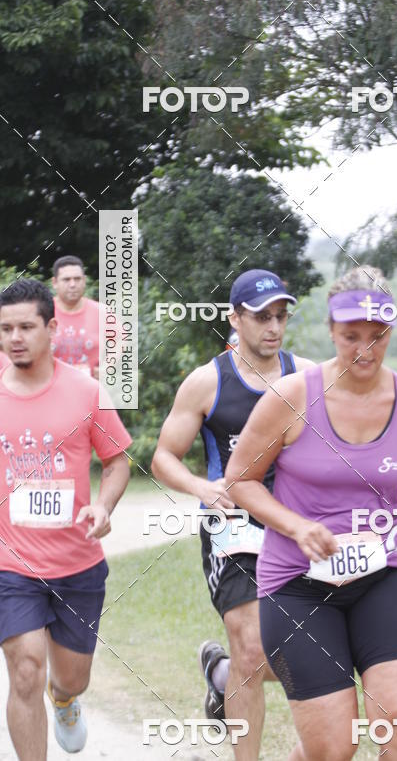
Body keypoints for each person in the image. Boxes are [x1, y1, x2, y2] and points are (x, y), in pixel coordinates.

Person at [225, 266, 397, 761]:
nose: (364, 348)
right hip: (295, 584)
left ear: (391, 331)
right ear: (331, 331)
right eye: (350, 335)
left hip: (382, 578)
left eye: (377, 336)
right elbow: (239, 480)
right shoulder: (291, 397)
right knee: (332, 750)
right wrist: (296, 526)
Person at [151, 269, 313, 761]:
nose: (273, 327)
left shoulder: (305, 375)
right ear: (234, 319)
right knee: (251, 647)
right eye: (262, 316)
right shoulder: (207, 382)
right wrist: (202, 487)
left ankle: (220, 676)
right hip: (231, 526)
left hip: (289, 522)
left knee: (295, 654)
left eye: (281, 316)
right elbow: (162, 456)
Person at [0, 279, 131, 758]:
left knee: (71, 677)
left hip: (78, 564)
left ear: (52, 328)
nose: (15, 337)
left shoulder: (86, 392)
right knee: (26, 669)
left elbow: (116, 460)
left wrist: (103, 505)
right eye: (5, 328)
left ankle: (65, 699)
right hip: (10, 565)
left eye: (26, 327)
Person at [52, 255, 101, 378]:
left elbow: (122, 341)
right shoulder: (41, 312)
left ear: (84, 281)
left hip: (91, 390)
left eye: (77, 279)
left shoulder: (102, 312)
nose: (72, 284)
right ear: (55, 282)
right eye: (66, 279)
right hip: (50, 389)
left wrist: (109, 366)